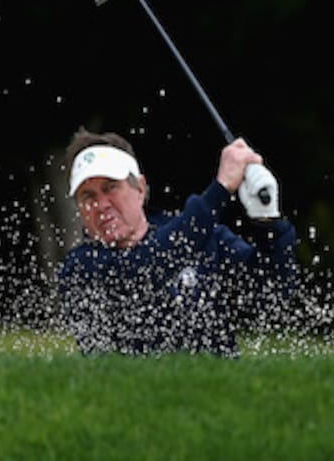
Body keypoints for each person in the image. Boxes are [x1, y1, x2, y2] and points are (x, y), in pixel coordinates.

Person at [57, 127, 298, 357]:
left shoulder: (198, 236)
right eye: (88, 196)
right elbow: (146, 266)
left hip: (219, 392)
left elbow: (272, 294)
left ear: (140, 188)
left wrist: (267, 222)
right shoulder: (79, 268)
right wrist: (221, 189)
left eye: (111, 188)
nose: (101, 205)